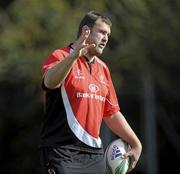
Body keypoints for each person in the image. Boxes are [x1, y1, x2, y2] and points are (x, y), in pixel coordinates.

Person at [40, 11, 142, 174]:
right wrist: (73, 56)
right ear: (85, 31)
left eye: (108, 34)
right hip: (61, 152)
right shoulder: (60, 56)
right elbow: (49, 82)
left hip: (94, 156)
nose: (106, 38)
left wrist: (136, 143)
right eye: (102, 32)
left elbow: (112, 114)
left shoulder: (103, 68)